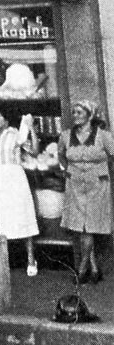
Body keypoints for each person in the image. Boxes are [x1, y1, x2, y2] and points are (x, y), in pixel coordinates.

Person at [58, 100, 114, 284]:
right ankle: (94, 269)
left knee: (88, 227)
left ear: (90, 115)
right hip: (74, 185)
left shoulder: (103, 136)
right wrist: (69, 170)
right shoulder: (66, 136)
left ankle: (82, 268)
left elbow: (112, 155)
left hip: (97, 186)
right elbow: (61, 155)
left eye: (79, 113)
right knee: (81, 228)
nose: (75, 116)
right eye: (73, 112)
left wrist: (100, 171)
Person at [0, 107, 39, 276]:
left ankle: (31, 259)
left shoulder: (16, 133)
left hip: (14, 178)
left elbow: (35, 151)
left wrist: (31, 128)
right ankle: (2, 260)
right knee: (0, 218)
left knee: (21, 216)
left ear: (7, 119)